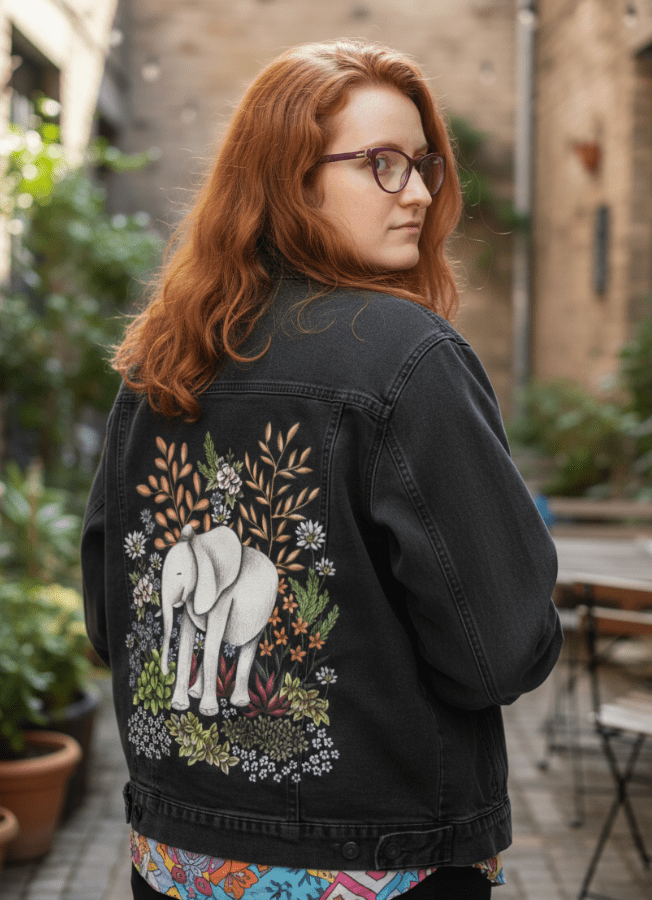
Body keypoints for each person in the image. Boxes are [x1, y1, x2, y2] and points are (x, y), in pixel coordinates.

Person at [81, 39, 563, 900]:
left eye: (422, 164)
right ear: (289, 179)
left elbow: (110, 618)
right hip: (378, 868)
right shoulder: (411, 358)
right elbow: (500, 649)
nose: (417, 192)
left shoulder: (160, 362)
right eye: (381, 164)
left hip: (181, 862)